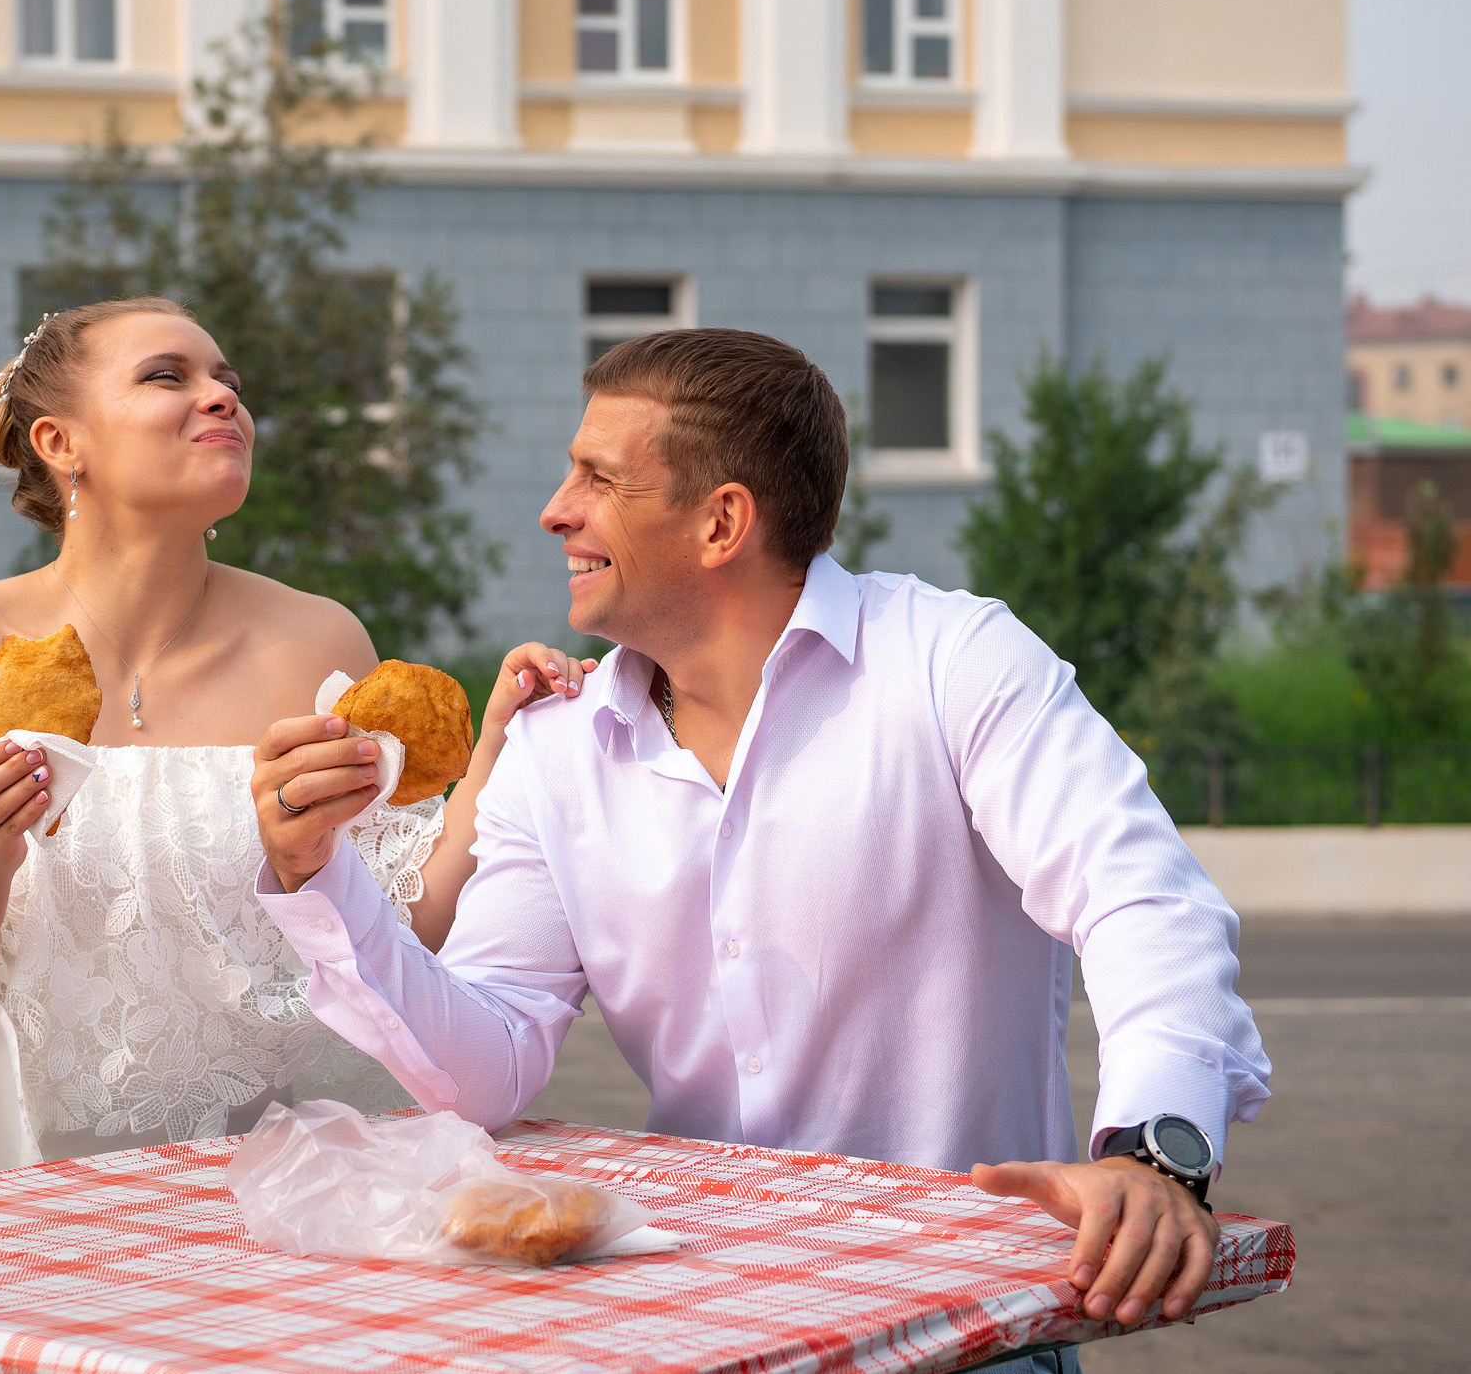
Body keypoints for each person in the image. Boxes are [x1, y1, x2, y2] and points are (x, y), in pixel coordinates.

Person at [250, 328, 1270, 1369]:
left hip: (957, 1328)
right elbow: (486, 1063)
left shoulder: (954, 662)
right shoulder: (554, 749)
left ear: (721, 521)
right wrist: (318, 873)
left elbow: (1141, 899)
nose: (556, 509)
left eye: (599, 478)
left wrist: (1153, 1154)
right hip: (703, 1324)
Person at [0, 296, 591, 1183]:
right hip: (15, 1180)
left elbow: (406, 931)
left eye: (227, 380)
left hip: (279, 1183)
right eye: (167, 376)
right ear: (59, 442)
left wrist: (496, 752)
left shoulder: (317, 643)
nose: (222, 397)